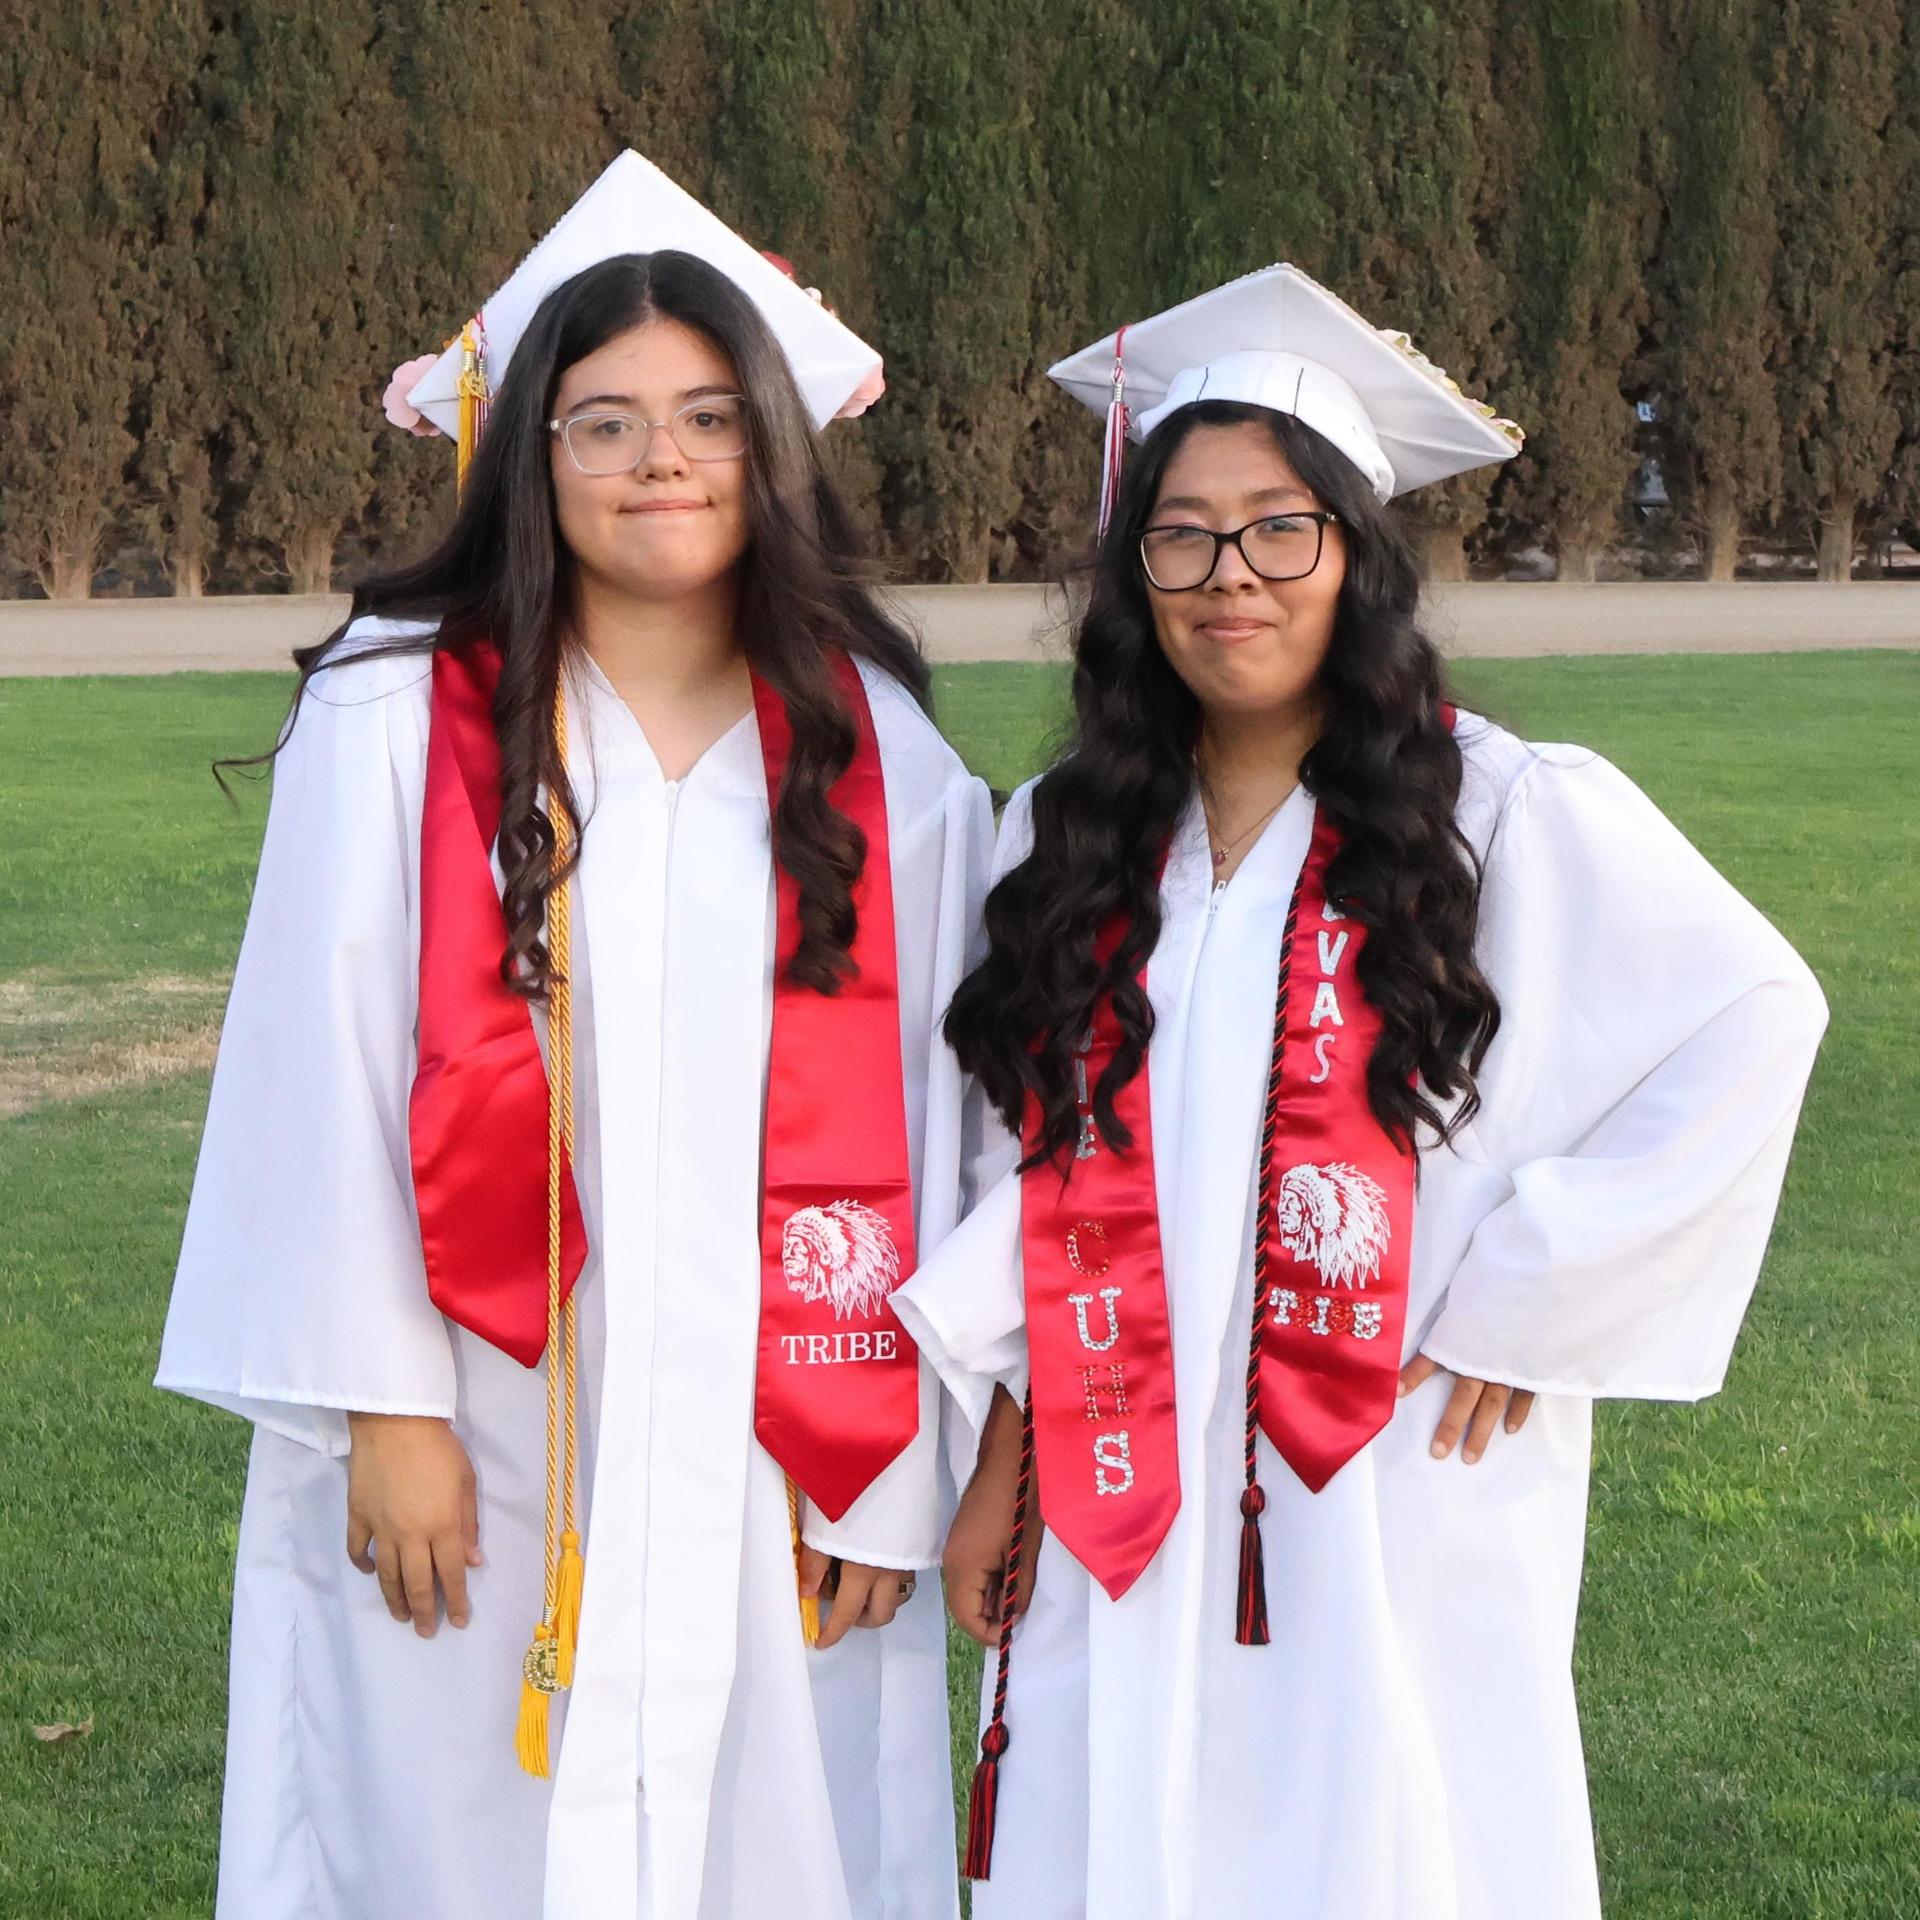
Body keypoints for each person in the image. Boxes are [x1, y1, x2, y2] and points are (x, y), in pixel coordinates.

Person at [890, 264, 1829, 1920]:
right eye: (1181, 535)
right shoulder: (1070, 843)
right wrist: (1001, 1468)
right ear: (1135, 573)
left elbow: (1754, 1017)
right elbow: (1033, 1180)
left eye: (1278, 529)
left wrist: (1525, 1304)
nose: (1227, 575)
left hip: (1388, 1475)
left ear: (1355, 555)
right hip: (1118, 1470)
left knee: (1388, 1833)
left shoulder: (1505, 815)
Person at [158, 151, 989, 1920]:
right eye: (602, 422)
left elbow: (952, 1128)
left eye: (703, 416)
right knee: (445, 1831)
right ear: (533, 451)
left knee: (772, 1842)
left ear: (770, 448)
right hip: (484, 1413)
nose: (659, 460)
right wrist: (380, 1406)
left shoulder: (883, 767)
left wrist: (891, 1474)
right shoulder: (399, 718)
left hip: (777, 1447)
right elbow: (313, 1074)